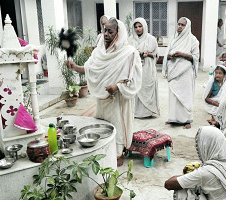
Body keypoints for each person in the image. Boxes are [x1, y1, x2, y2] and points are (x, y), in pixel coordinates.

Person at [67, 18, 142, 166]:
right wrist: (75, 67)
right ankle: (105, 151)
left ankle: (118, 154)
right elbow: (90, 69)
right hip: (102, 99)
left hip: (118, 99)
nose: (106, 34)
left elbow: (134, 78)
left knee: (118, 124)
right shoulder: (98, 52)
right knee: (102, 125)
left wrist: (117, 87)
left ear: (118, 34)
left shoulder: (129, 53)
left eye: (110, 31)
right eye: (104, 30)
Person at [164, 126, 226, 200]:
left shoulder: (206, 172)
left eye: (198, 144)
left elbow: (168, 184)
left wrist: (191, 175)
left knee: (182, 192)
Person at [162, 17, 199, 129]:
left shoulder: (193, 40)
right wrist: (168, 56)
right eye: (178, 24)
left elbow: (196, 57)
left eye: (182, 25)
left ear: (187, 26)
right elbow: (167, 54)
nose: (179, 27)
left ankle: (187, 120)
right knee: (174, 96)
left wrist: (182, 54)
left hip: (185, 72)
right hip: (174, 72)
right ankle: (174, 118)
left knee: (185, 96)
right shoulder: (174, 39)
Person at [128, 17, 160, 118]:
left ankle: (148, 112)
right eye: (136, 27)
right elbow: (127, 54)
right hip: (136, 69)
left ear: (144, 27)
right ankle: (137, 112)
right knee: (137, 88)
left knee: (146, 87)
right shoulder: (130, 39)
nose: (138, 29)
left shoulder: (151, 39)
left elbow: (156, 55)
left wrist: (144, 53)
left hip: (147, 68)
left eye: (140, 26)